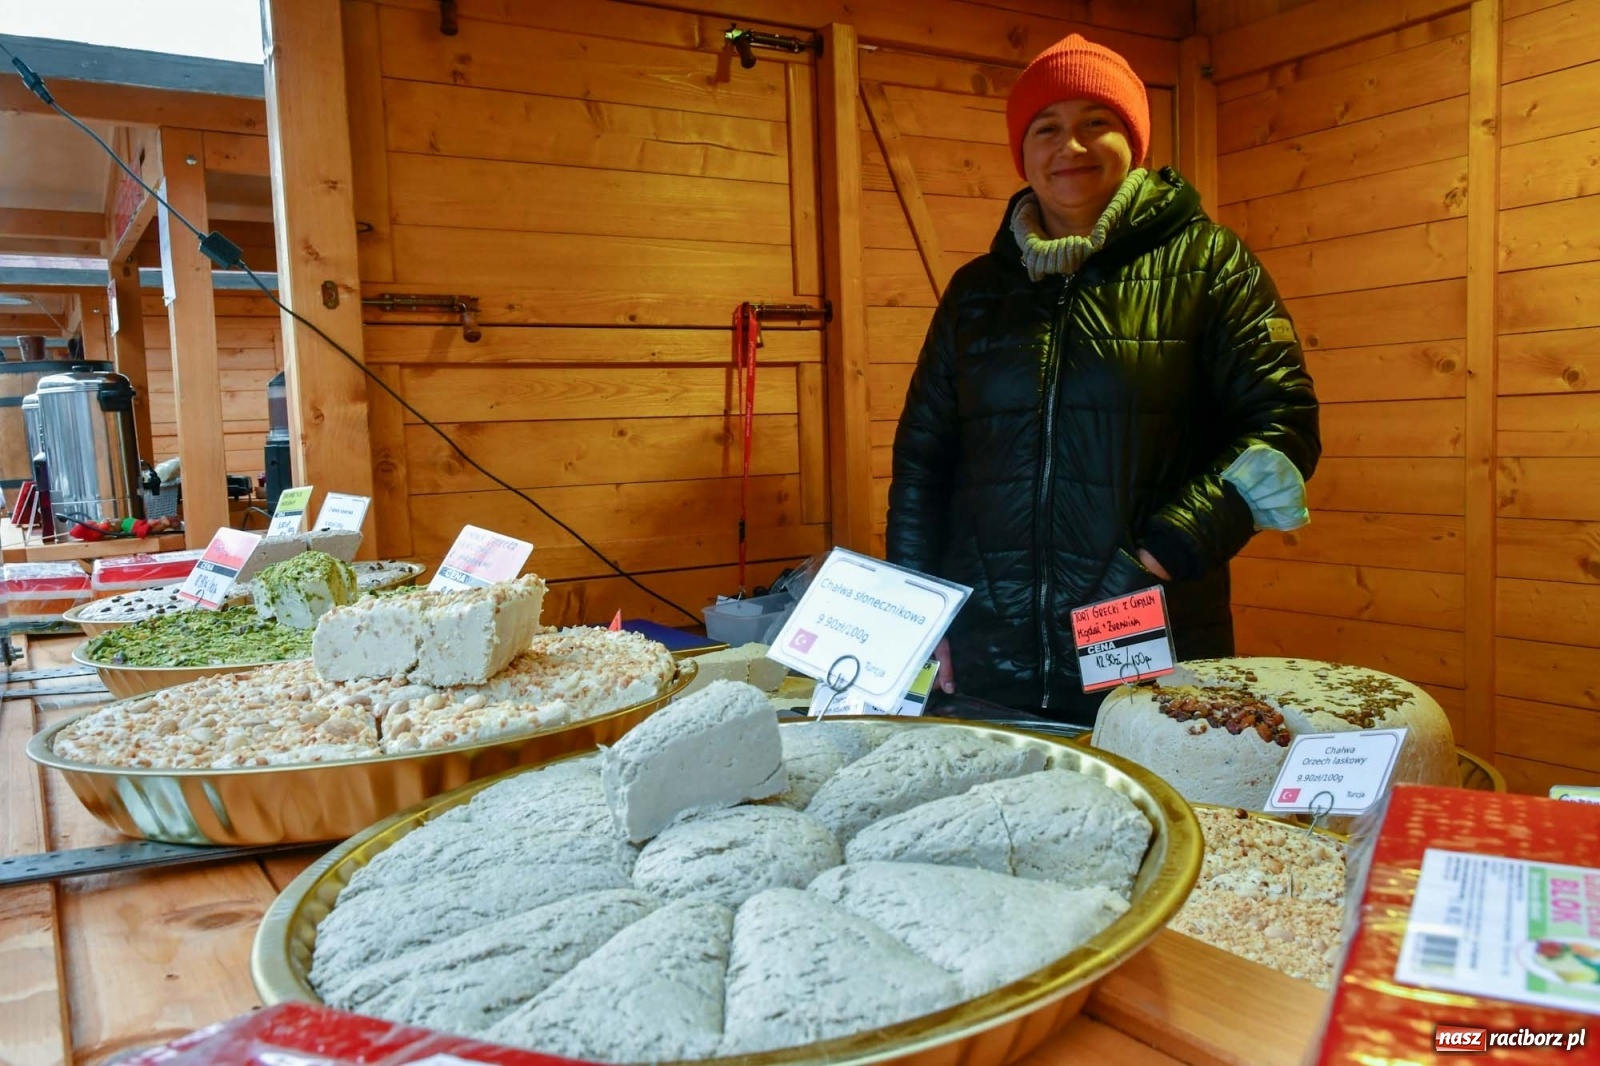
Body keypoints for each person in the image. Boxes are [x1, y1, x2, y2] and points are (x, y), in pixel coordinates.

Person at [887, 34, 1321, 727]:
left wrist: (1160, 553)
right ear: (1022, 152)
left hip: (1149, 629)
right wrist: (919, 613)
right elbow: (922, 460)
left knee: (1153, 819)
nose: (1072, 147)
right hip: (984, 652)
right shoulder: (977, 291)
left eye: (1098, 123)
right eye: (1047, 128)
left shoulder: (1209, 264)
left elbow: (1282, 424)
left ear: (1134, 139)